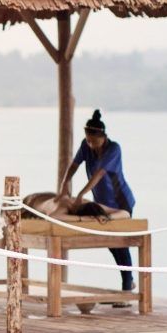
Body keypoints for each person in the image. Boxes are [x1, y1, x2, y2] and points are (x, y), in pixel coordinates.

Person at [57, 109, 136, 295]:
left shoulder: (114, 149)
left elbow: (99, 174)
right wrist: (63, 186)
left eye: (93, 141)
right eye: (88, 141)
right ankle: (129, 281)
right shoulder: (86, 145)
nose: (90, 145)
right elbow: (74, 165)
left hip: (120, 202)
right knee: (111, 243)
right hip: (102, 202)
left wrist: (80, 194)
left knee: (120, 243)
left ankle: (127, 287)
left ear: (103, 137)